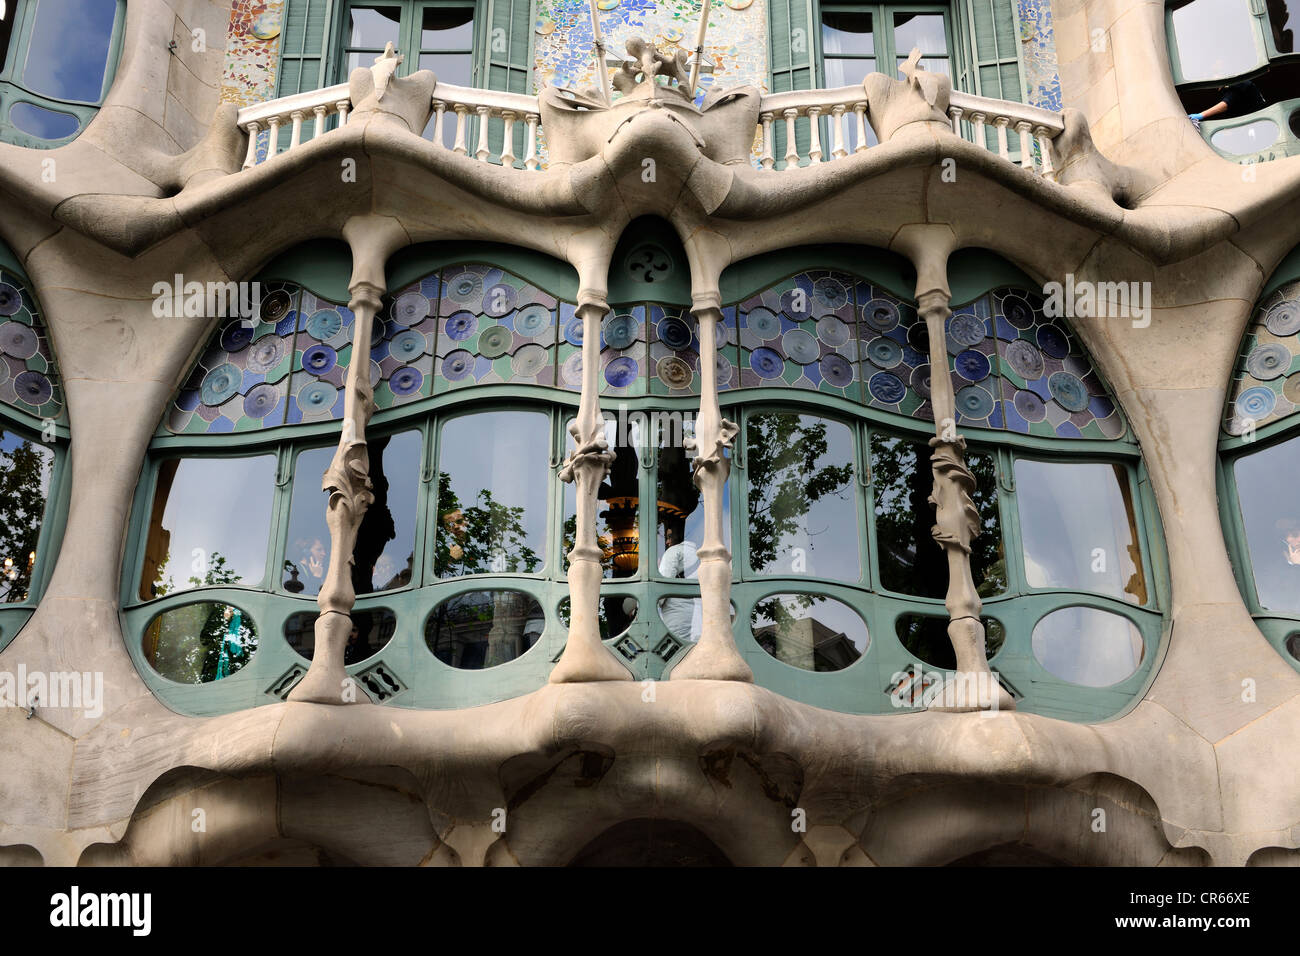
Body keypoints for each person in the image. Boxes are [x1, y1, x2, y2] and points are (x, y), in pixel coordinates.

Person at [658, 525, 701, 642]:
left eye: (669, 537)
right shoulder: (700, 555)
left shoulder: (673, 552)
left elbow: (661, 589)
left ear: (679, 536)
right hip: (698, 617)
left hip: (677, 617)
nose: (667, 542)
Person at [1188, 79, 1266, 126]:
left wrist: (1201, 115)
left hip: (1257, 124)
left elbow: (1226, 104)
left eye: (1217, 72)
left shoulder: (1239, 83)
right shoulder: (1226, 89)